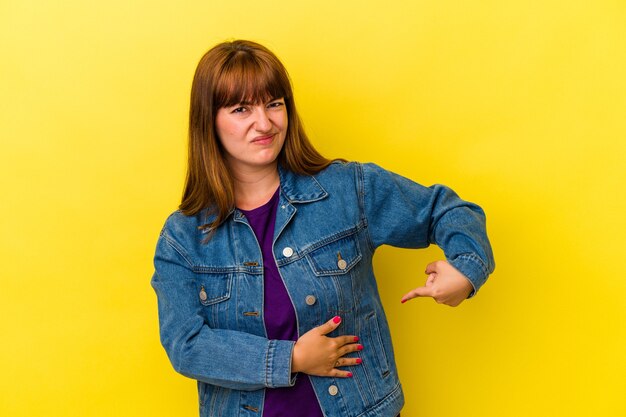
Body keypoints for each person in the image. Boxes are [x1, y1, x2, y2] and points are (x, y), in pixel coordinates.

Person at [151, 40, 495, 417]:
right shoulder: (183, 238)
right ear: (209, 121)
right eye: (241, 109)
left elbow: (446, 211)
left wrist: (466, 268)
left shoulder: (347, 190)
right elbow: (186, 344)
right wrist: (291, 358)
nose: (264, 123)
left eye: (274, 104)